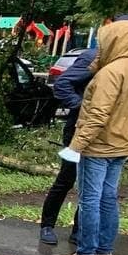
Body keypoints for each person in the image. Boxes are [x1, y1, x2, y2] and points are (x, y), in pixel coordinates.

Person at [55, 18, 128, 255]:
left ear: (114, 40)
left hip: (98, 145)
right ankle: (105, 252)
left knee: (90, 200)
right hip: (122, 143)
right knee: (108, 198)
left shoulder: (110, 73)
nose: (101, 44)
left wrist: (76, 145)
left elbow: (97, 115)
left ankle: (85, 254)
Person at [38, 42, 99, 244]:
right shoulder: (93, 57)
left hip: (103, 133)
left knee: (92, 184)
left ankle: (78, 231)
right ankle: (47, 225)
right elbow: (62, 84)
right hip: (77, 128)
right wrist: (81, 107)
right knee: (66, 178)